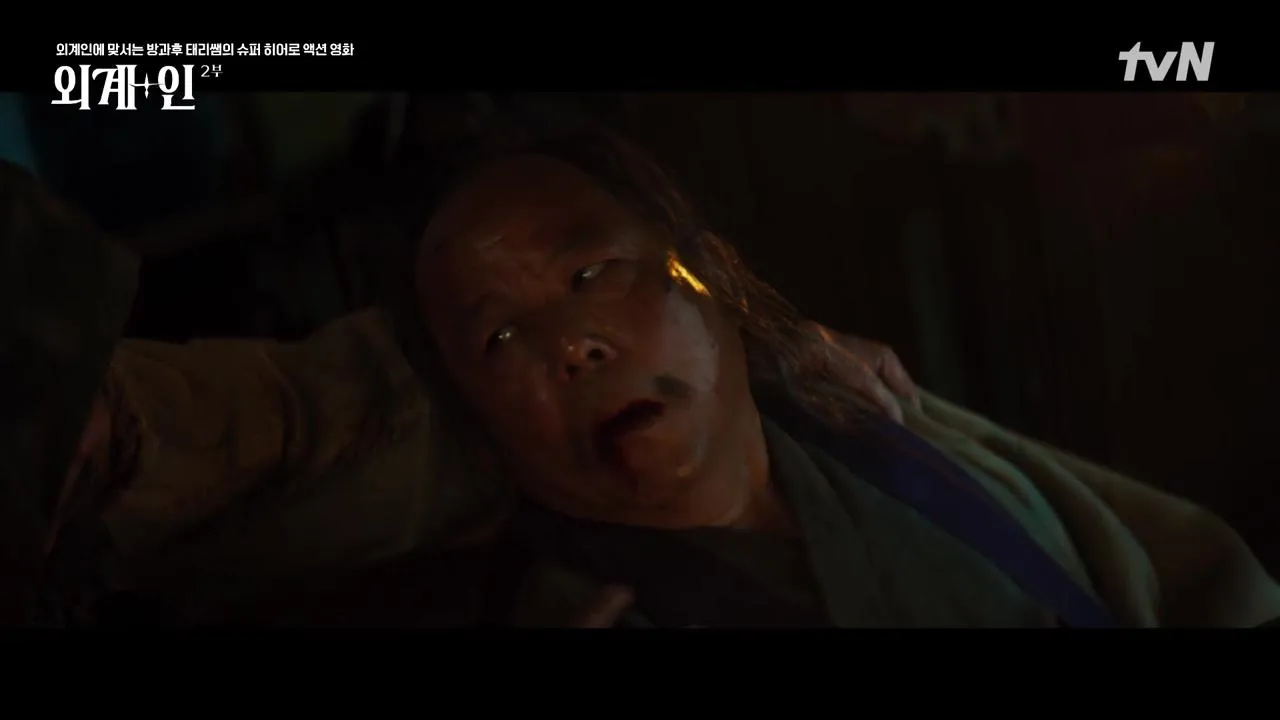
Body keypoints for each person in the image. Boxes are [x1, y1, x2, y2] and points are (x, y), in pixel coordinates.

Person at [383, 130, 1280, 627]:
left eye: (590, 274)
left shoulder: (859, 415)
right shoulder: (579, 606)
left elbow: (1181, 570)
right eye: (500, 336)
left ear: (708, 276)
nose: (571, 344)